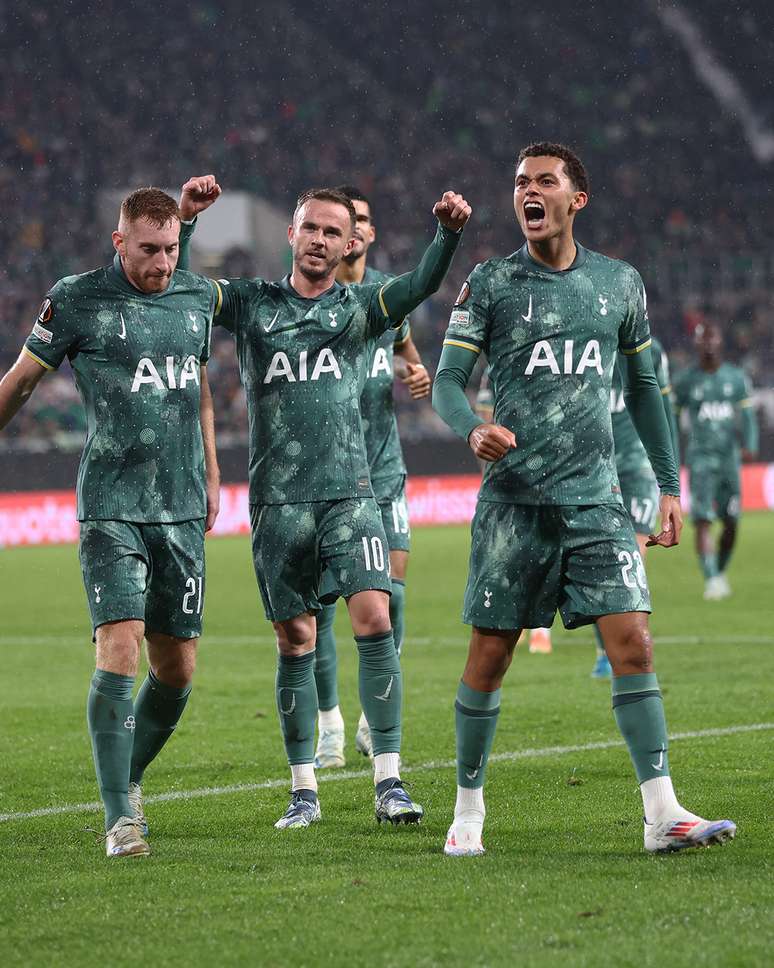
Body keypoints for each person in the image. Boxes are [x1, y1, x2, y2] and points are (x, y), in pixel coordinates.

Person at [432, 141, 736, 855]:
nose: (527, 192)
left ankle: (662, 814)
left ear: (577, 200)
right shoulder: (493, 282)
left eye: (544, 181)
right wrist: (471, 428)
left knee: (634, 643)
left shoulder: (619, 284)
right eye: (518, 182)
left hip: (596, 502)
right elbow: (448, 380)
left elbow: (644, 391)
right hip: (514, 505)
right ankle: (468, 809)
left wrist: (666, 484)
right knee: (491, 657)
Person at [178, 177, 470, 828]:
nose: (318, 240)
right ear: (291, 234)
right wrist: (188, 224)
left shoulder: (363, 308)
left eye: (332, 232)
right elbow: (182, 289)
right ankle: (303, 789)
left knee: (374, 618)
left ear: (349, 244)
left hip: (351, 493)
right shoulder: (252, 304)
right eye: (309, 227)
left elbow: (421, 286)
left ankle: (389, 779)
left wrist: (447, 233)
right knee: (296, 639)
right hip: (279, 503)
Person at [0, 188, 220, 858]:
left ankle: (124, 771)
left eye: (171, 249)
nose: (161, 262)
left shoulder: (194, 300)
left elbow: (200, 388)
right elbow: (19, 382)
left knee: (177, 668)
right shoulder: (75, 298)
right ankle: (121, 817)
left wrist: (212, 472)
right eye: (148, 248)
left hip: (180, 507)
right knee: (119, 644)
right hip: (110, 506)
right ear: (118, 241)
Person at [312, 185, 431, 769]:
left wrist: (416, 371)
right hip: (328, 476)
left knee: (395, 594)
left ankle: (369, 717)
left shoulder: (388, 297)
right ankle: (328, 722)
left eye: (361, 219)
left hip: (383, 470)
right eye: (343, 221)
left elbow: (408, 351)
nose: (352, 229)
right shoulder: (315, 298)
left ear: (370, 233)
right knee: (323, 605)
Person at [591, 336, 678, 677]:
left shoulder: (651, 352)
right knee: (602, 560)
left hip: (637, 465)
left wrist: (671, 484)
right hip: (594, 466)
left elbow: (664, 414)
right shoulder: (585, 339)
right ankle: (605, 649)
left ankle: (632, 645)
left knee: (631, 555)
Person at [673, 323, 758, 600]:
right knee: (702, 520)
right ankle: (711, 578)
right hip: (700, 459)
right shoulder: (686, 381)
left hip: (728, 459)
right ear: (696, 345)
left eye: (712, 338)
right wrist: (671, 451)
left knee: (732, 521)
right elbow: (672, 417)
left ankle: (719, 572)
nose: (708, 344)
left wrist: (750, 444)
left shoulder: (736, 378)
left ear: (720, 342)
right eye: (703, 340)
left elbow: (747, 415)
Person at [475, 371, 553, 654]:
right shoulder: (493, 372)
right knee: (509, 553)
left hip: (543, 472)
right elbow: (484, 421)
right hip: (506, 478)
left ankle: (541, 631)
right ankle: (514, 621)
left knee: (541, 550)